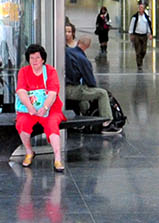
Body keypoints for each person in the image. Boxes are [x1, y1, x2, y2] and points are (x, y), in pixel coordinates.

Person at [14, 42, 66, 172]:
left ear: (43, 59)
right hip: (29, 109)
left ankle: (58, 158)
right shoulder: (23, 72)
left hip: (50, 108)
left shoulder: (50, 71)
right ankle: (29, 152)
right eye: (31, 58)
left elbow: (53, 92)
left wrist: (45, 107)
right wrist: (30, 108)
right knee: (22, 123)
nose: (34, 61)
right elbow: (21, 91)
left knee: (52, 124)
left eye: (37, 57)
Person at [63, 22, 112, 122]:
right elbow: (90, 81)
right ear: (87, 46)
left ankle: (85, 116)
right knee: (102, 93)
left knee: (84, 99)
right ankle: (107, 120)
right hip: (72, 89)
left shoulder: (67, 51)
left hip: (63, 87)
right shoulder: (82, 59)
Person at [128, 4, 153, 70]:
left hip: (144, 35)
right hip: (137, 35)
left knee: (143, 50)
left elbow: (149, 26)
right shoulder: (135, 17)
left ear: (144, 9)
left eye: (142, 8)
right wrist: (131, 34)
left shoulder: (147, 17)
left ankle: (140, 59)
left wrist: (150, 33)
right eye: (139, 8)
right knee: (138, 50)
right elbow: (132, 25)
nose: (140, 9)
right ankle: (139, 64)